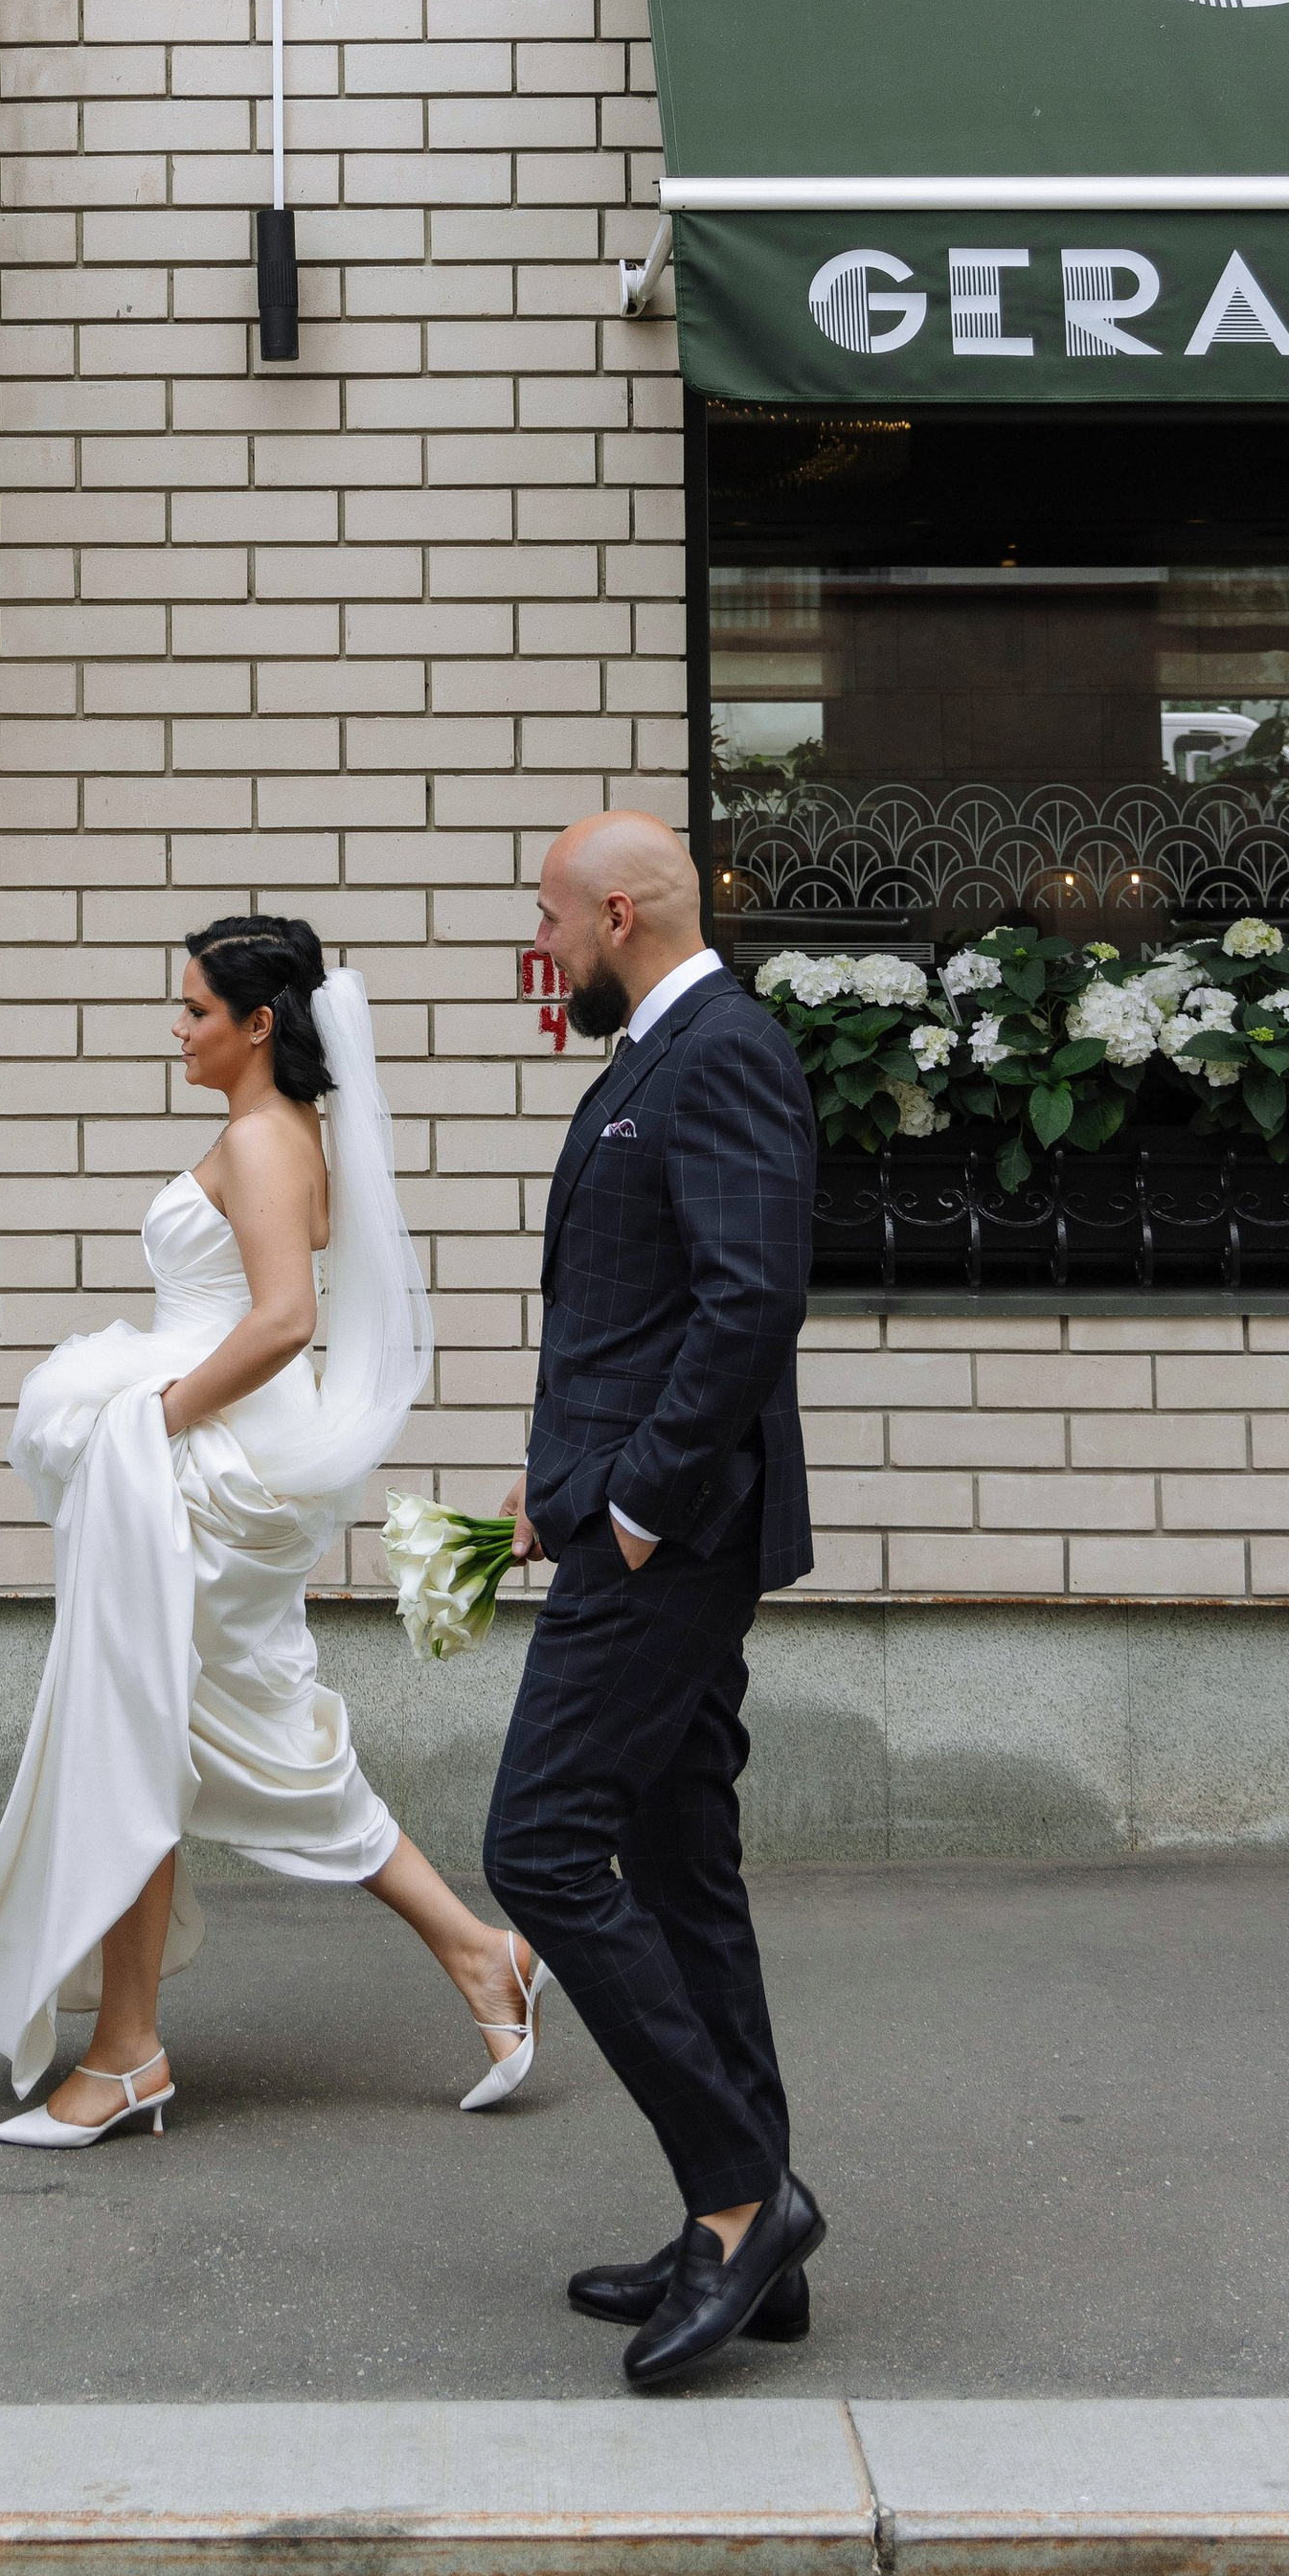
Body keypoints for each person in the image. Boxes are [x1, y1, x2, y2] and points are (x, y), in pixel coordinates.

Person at [0, 915, 550, 2141]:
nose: (175, 1028)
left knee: (164, 1732)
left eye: (193, 1010)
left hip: (212, 1466)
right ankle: (170, 2038)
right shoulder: (271, 1132)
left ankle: (139, 2052)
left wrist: (158, 1418)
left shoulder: (265, 1139)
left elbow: (284, 1318)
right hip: (207, 1457)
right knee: (170, 1736)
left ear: (259, 1024)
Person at [482, 810, 826, 2391]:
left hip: (670, 1543)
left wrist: (627, 1507)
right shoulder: (653, 1058)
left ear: (618, 911)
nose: (540, 951)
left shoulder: (723, 1050)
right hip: (629, 1521)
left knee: (541, 1843)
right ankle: (753, 2213)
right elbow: (640, 1309)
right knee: (681, 1860)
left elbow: (753, 1301)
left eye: (551, 921)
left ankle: (739, 2198)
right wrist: (555, 1482)